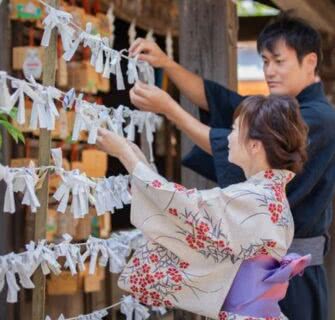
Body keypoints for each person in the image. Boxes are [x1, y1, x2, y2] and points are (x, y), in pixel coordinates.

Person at [127, 15, 335, 320]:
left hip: (290, 276)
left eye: (278, 61)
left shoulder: (319, 118)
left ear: (310, 61)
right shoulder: (288, 113)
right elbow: (225, 104)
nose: (269, 71)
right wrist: (168, 66)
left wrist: (170, 110)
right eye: (264, 61)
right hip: (261, 275)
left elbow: (247, 138)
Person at [96, 95, 310, 320]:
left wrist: (125, 154)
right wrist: (136, 159)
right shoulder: (268, 195)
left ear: (255, 145)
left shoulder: (255, 197)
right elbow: (184, 207)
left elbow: (184, 207)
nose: (229, 137)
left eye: (235, 129)